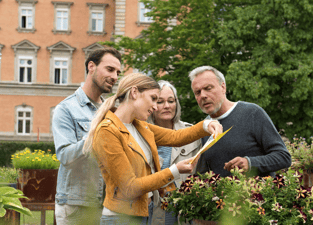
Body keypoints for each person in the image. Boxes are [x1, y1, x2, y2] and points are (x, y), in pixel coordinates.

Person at [82, 73, 222, 224]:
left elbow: (176, 137)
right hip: (121, 218)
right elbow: (129, 187)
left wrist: (207, 125)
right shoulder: (108, 131)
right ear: (134, 93)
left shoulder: (139, 126)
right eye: (154, 98)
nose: (155, 106)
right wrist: (175, 170)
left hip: (144, 213)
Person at [52, 48, 122, 224]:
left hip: (107, 205)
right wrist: (96, 133)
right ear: (91, 66)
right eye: (110, 69)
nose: (115, 76)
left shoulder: (111, 110)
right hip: (76, 206)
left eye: (118, 72)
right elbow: (65, 156)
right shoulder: (66, 109)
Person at [189, 66, 292, 178]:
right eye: (197, 92)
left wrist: (250, 163)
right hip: (224, 195)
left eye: (208, 88)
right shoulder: (204, 128)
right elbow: (204, 173)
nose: (203, 95)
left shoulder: (252, 113)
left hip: (259, 194)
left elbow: (284, 157)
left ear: (223, 87)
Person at [146, 80, 202, 225]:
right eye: (160, 101)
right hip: (150, 210)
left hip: (183, 211)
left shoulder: (191, 133)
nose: (166, 106)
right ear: (152, 105)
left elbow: (199, 174)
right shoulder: (141, 134)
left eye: (171, 101)